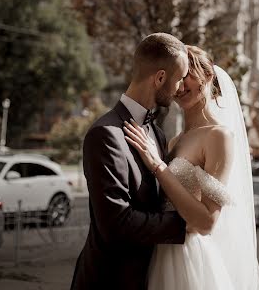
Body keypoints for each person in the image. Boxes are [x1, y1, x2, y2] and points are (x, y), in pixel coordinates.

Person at [124, 45, 259, 290]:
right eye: (178, 76)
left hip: (188, 259)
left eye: (189, 73)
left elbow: (208, 221)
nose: (181, 84)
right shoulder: (176, 140)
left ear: (208, 76)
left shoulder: (219, 137)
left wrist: (158, 165)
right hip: (158, 251)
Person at [70, 32, 189, 290]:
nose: (180, 88)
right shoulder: (105, 134)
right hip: (108, 280)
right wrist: (187, 222)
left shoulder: (157, 133)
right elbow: (116, 224)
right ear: (159, 78)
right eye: (179, 80)